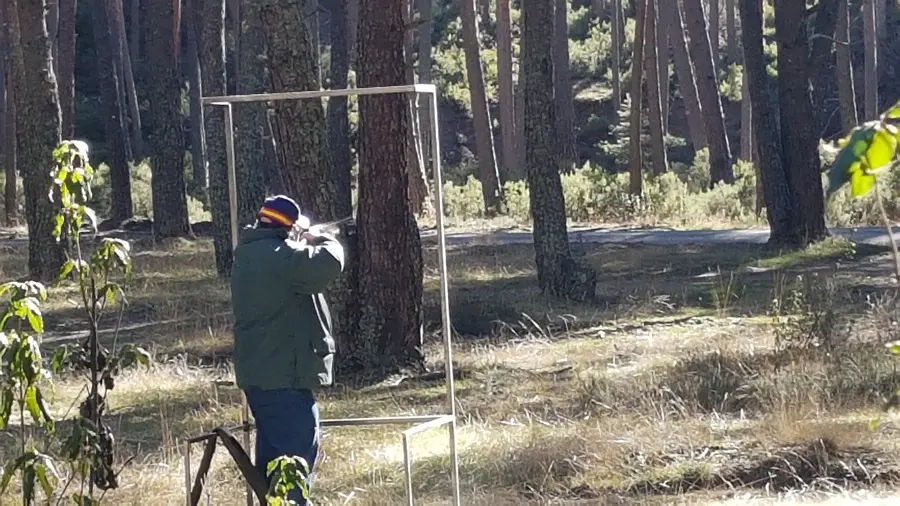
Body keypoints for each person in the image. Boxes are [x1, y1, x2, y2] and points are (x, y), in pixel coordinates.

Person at [230, 195, 345, 504]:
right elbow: (330, 262)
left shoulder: (254, 252)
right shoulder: (277, 255)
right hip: (283, 378)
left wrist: (298, 236)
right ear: (288, 228)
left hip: (268, 375)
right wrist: (319, 237)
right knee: (294, 467)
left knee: (275, 470)